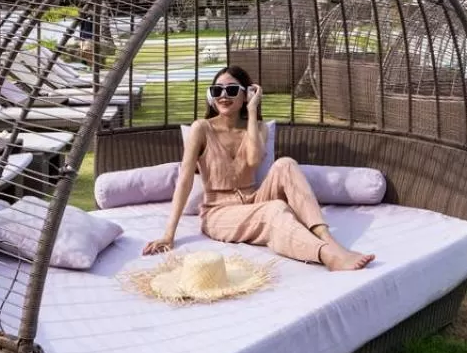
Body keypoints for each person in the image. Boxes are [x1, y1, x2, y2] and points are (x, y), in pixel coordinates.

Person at [143, 66, 373, 271]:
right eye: (217, 90)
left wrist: (252, 111)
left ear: (246, 95)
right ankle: (326, 255)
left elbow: (253, 160)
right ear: (211, 97)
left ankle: (327, 238)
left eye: (232, 90)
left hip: (254, 199)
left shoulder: (258, 127)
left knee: (286, 164)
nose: (224, 96)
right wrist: (168, 234)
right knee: (274, 209)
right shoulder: (201, 128)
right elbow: (184, 179)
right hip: (218, 213)